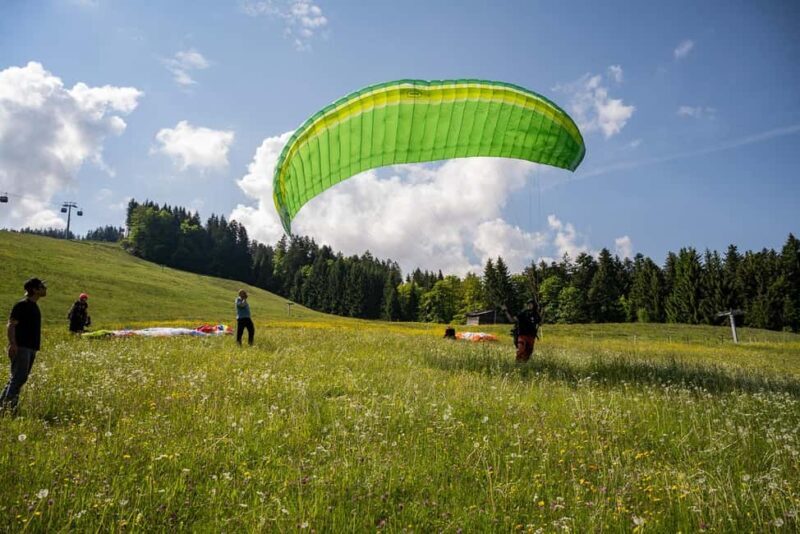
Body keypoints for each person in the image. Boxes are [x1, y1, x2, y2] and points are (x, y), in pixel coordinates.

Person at [1, 278, 47, 414]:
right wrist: (13, 344)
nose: (45, 289)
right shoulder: (21, 305)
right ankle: (8, 409)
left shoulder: (34, 306)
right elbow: (11, 325)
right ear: (34, 289)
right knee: (19, 377)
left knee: (18, 377)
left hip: (30, 348)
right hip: (22, 347)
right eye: (41, 287)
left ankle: (3, 406)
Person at [503, 299, 541, 363]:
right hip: (522, 335)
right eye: (528, 304)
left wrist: (544, 313)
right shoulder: (523, 313)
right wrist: (505, 311)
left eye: (531, 304)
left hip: (531, 336)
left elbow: (540, 323)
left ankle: (524, 365)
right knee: (521, 350)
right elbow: (512, 320)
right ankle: (517, 364)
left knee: (528, 352)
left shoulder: (536, 315)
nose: (529, 305)